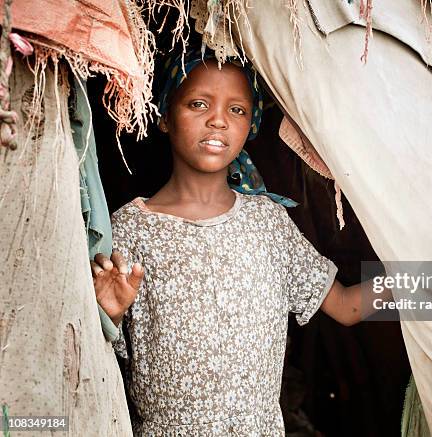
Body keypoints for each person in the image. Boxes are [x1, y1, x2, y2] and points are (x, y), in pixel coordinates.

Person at [90, 48, 391, 435]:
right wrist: (108, 314)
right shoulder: (130, 229)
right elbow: (98, 361)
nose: (218, 121)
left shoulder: (267, 223)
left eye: (237, 110)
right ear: (165, 114)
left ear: (251, 124)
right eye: (199, 104)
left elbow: (348, 307)